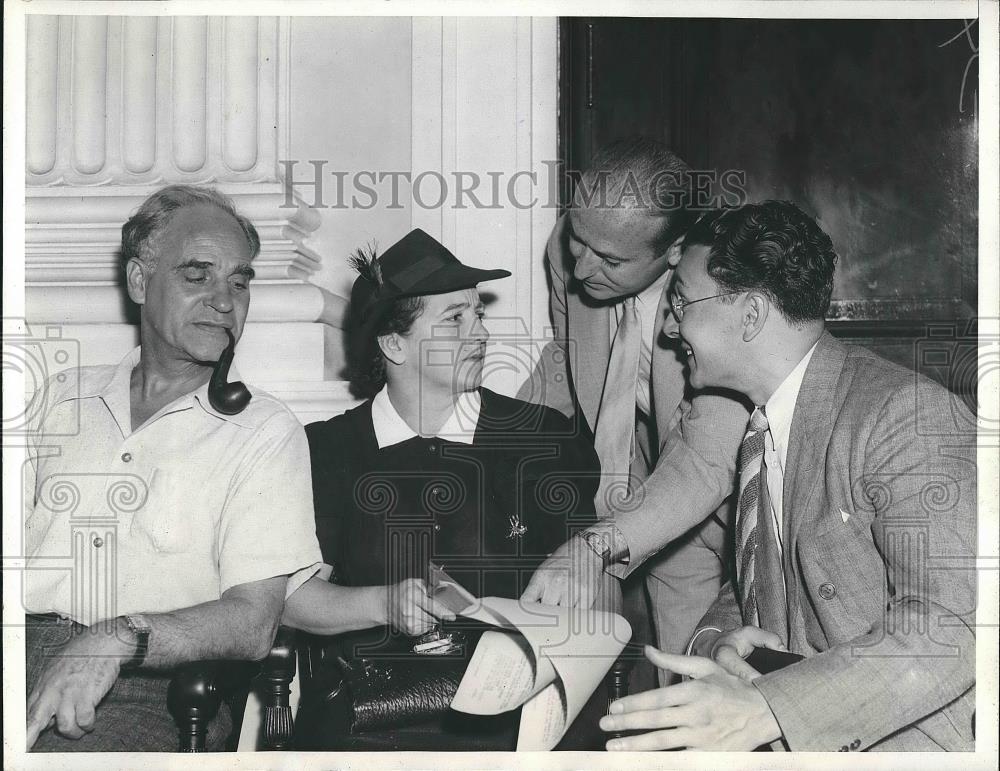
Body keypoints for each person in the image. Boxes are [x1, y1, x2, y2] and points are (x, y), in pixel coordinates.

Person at [600, 200, 976, 751]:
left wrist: (766, 708)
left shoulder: (904, 416)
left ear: (750, 314)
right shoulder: (768, 423)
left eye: (681, 302)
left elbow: (950, 631)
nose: (670, 328)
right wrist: (716, 642)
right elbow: (763, 571)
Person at [282, 228, 608, 750]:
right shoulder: (328, 451)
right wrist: (383, 604)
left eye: (478, 314)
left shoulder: (545, 438)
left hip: (513, 722)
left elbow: (593, 588)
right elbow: (291, 600)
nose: (479, 333)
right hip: (370, 719)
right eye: (455, 319)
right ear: (394, 344)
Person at [23, 185, 323, 751]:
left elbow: (254, 622)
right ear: (140, 281)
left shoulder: (264, 430)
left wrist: (116, 639)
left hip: (142, 689)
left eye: (239, 282)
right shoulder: (61, 398)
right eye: (197, 275)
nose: (225, 300)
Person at [518, 138, 750, 679]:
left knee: (691, 668)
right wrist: (490, 435)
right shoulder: (571, 245)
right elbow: (568, 354)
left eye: (610, 260)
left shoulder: (719, 292)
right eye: (579, 241)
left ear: (674, 252)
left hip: (709, 490)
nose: (580, 269)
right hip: (625, 462)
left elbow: (706, 458)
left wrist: (596, 545)